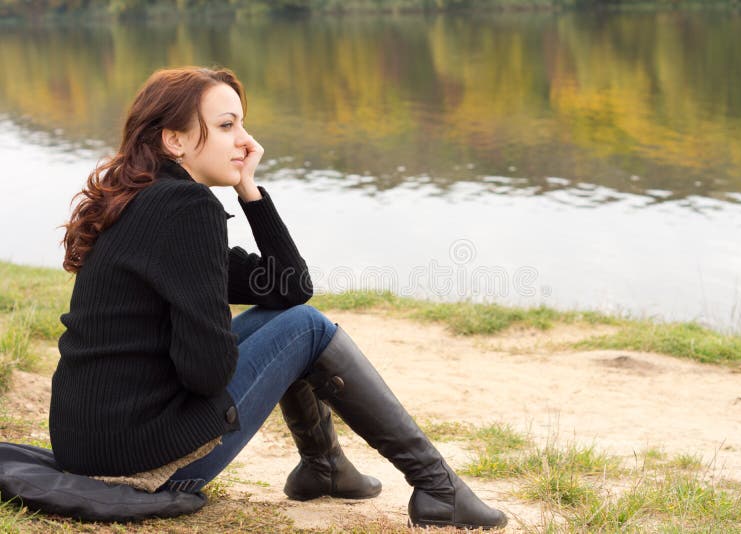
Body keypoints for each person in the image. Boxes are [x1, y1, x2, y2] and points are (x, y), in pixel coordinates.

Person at [52, 66, 507, 530]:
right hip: (144, 467)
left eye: (243, 124)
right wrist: (234, 344)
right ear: (175, 141)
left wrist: (249, 190)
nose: (246, 142)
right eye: (227, 126)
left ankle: (324, 468)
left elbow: (288, 286)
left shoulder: (141, 199)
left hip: (89, 448)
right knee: (305, 328)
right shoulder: (188, 209)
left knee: (286, 318)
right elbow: (205, 372)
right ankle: (438, 488)